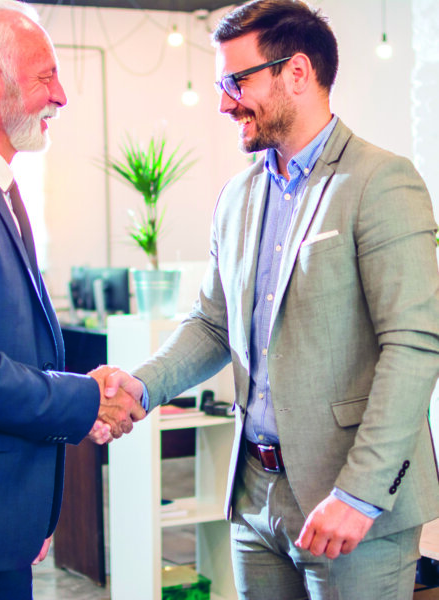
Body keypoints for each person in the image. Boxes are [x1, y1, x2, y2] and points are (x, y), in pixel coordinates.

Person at [107, 0, 439, 598]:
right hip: (252, 497)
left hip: (348, 502)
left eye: (237, 81)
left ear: (298, 73)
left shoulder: (380, 181)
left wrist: (360, 492)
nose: (224, 102)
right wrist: (140, 386)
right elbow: (212, 324)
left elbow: (413, 347)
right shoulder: (236, 196)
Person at [0, 1, 144, 597]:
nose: (62, 96)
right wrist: (88, 398)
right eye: (45, 76)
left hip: (9, 517)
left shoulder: (6, 188)